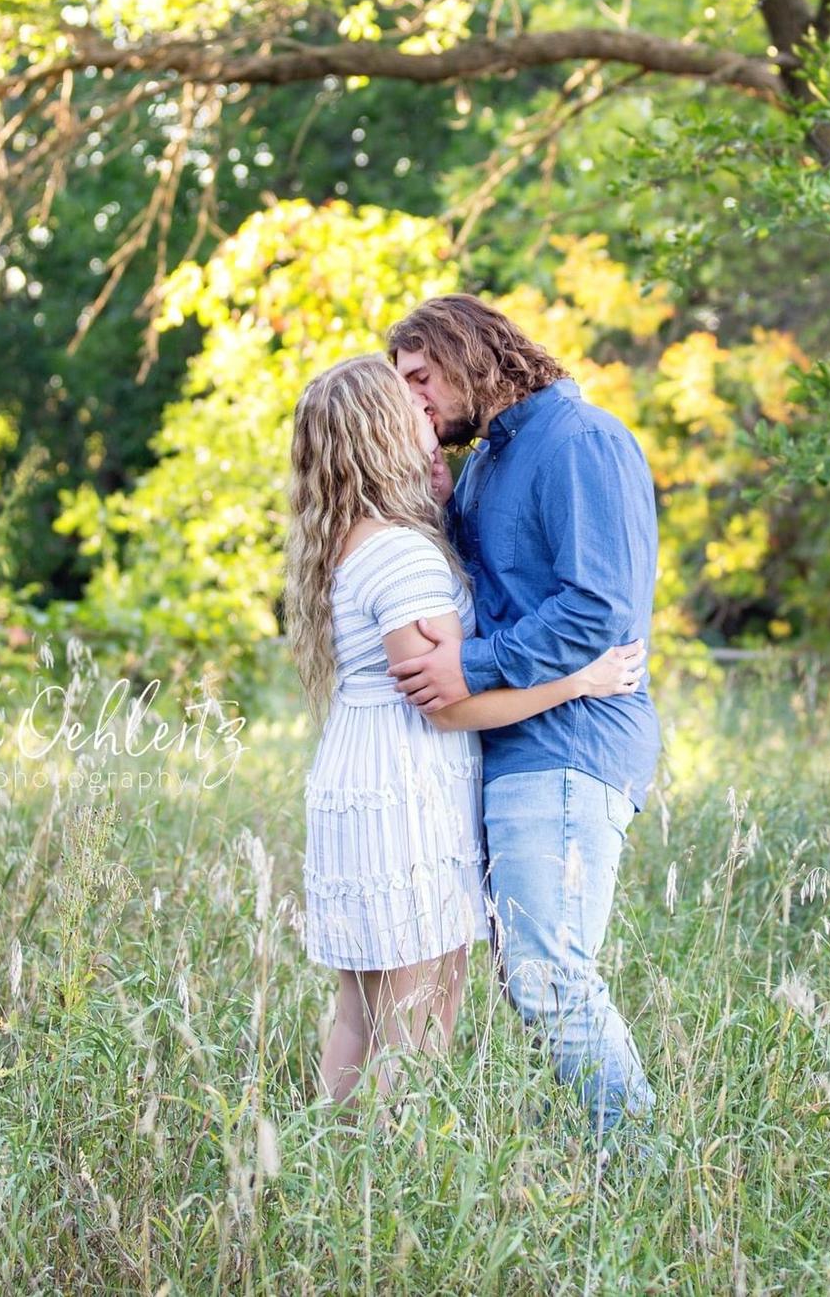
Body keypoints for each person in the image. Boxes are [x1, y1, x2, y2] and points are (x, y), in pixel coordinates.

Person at [282, 354, 644, 1120]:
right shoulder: (404, 555)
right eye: (409, 402)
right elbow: (445, 706)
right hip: (406, 787)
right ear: (384, 431)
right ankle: (392, 1181)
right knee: (418, 1018)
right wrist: (579, 680)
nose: (428, 409)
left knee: (362, 1013)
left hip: (363, 772)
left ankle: (332, 1168)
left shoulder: (356, 539)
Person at [383, 295, 663, 1144]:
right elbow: (493, 592)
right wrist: (441, 504)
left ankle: (642, 1161)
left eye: (421, 377)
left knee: (549, 978)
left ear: (470, 353)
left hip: (572, 743)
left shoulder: (580, 441)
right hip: (511, 743)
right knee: (529, 977)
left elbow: (597, 609)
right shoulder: (483, 466)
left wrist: (468, 667)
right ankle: (610, 1156)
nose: (413, 400)